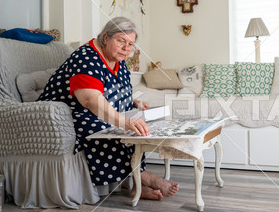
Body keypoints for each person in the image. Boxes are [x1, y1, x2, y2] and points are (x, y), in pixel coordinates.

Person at [38, 16, 178, 200]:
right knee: (110, 127)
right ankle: (145, 179)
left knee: (133, 123)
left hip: (92, 109)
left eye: (130, 44)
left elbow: (115, 91)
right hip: (69, 113)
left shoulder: (118, 61)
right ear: (106, 37)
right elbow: (90, 100)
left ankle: (137, 183)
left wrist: (135, 103)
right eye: (121, 41)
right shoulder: (86, 58)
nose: (126, 49)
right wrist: (125, 122)